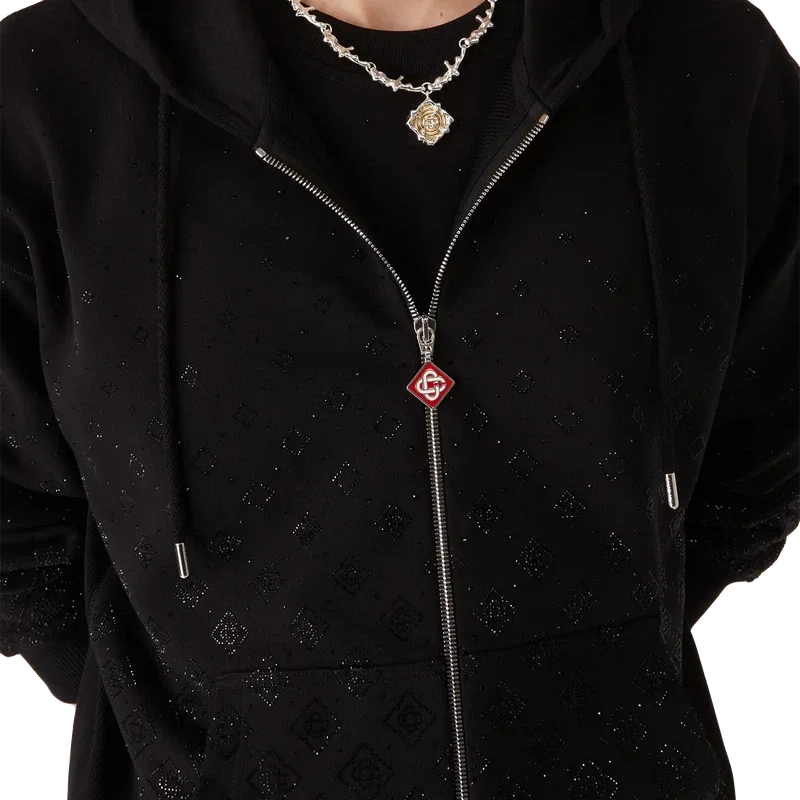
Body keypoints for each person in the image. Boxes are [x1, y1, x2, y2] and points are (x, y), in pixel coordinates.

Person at [1, 0, 798, 798]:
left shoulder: (703, 56)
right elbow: (12, 526)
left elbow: (769, 441)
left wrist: (594, 648)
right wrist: (210, 718)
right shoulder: (50, 91)